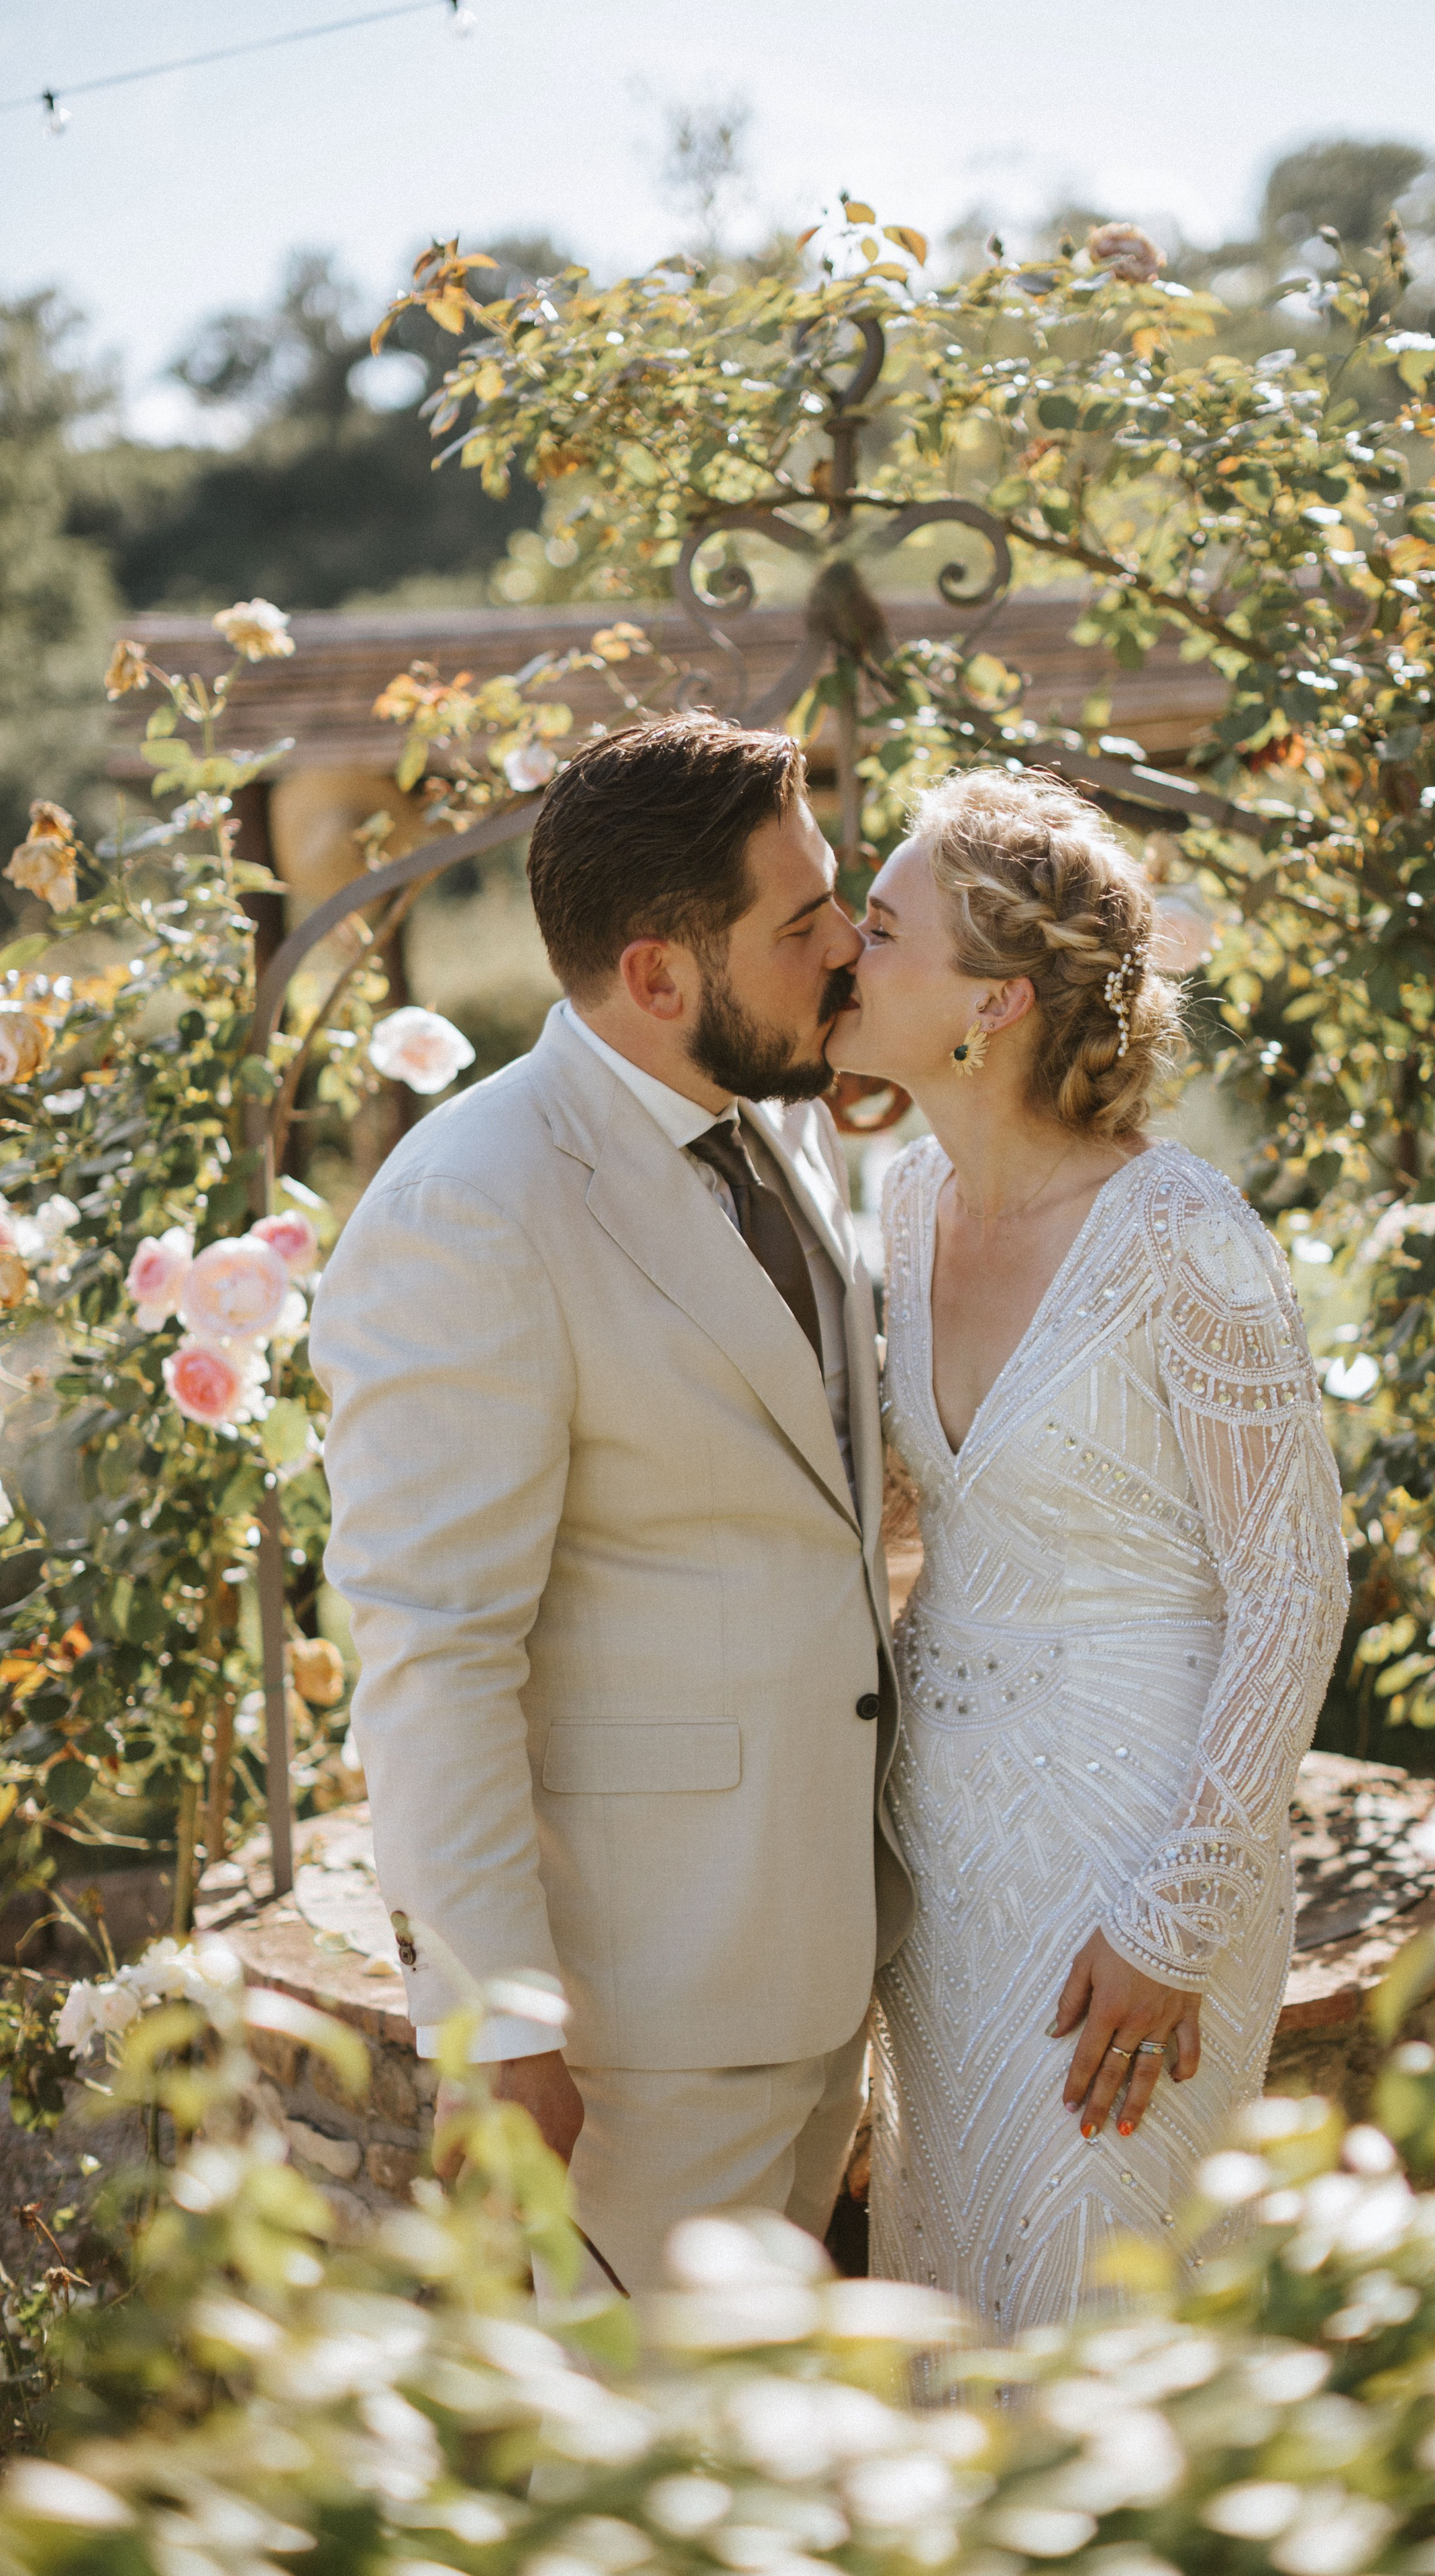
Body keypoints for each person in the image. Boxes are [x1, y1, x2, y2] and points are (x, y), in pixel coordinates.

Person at [311, 714, 911, 2295]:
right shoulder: (470, 1211)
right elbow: (434, 1646)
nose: (846, 945)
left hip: (812, 1957)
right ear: (655, 976)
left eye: (832, 897)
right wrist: (501, 2021)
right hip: (639, 2020)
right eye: (801, 925)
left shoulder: (767, 1115)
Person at [827, 767, 1347, 2334]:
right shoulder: (901, 1202)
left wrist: (1173, 1920)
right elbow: (949, 1502)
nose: (844, 956)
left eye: (877, 928)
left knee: (1095, 2323)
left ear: (989, 1003)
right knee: (952, 2313)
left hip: (1125, 1863)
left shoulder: (1182, 1237)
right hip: (944, 1862)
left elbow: (1292, 1584)